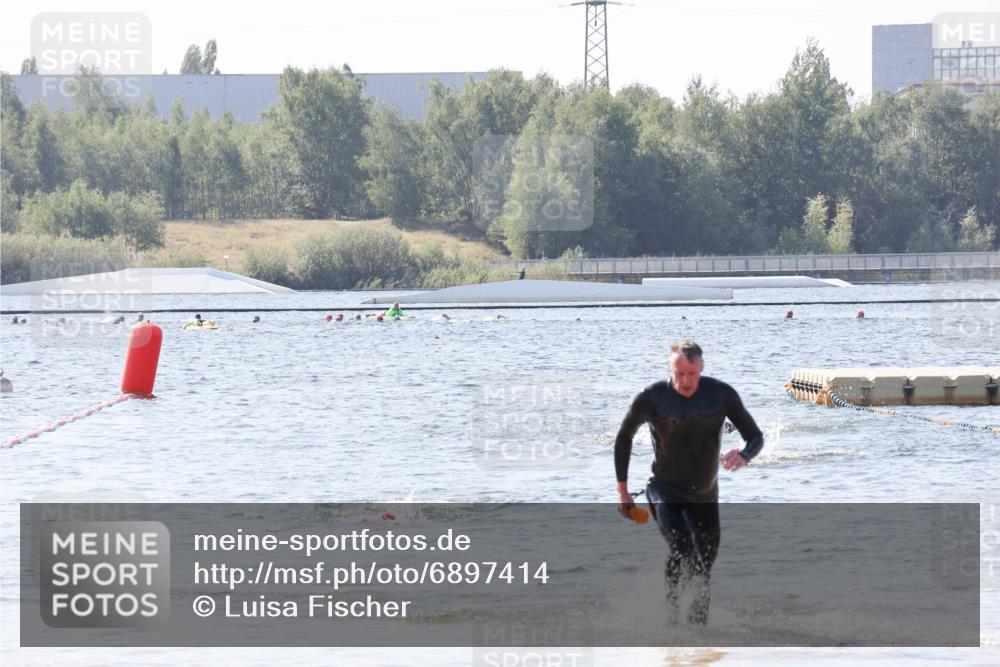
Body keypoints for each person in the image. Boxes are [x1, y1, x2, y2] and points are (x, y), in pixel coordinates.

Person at [614, 340, 763, 626]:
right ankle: (670, 618)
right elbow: (624, 437)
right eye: (679, 373)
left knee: (704, 566)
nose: (686, 381)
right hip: (664, 490)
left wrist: (745, 455)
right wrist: (622, 491)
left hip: (706, 496)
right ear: (670, 369)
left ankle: (699, 640)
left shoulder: (721, 395)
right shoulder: (652, 397)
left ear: (702, 368)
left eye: (692, 373)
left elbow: (755, 436)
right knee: (683, 548)